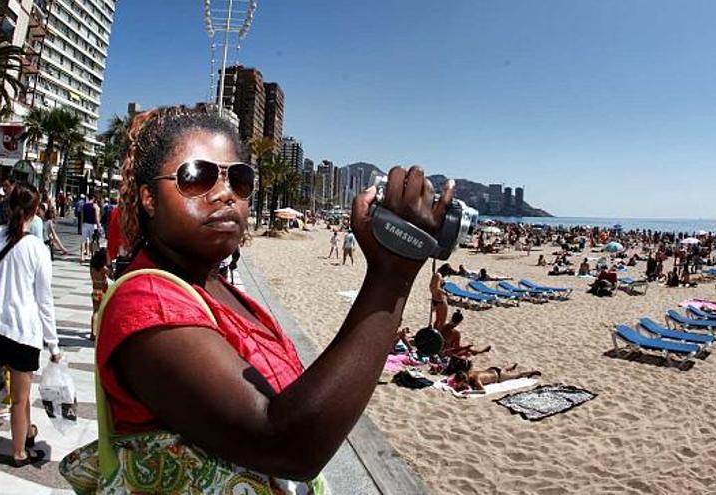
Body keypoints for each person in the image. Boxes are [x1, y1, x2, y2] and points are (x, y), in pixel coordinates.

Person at [76, 107, 456, 491]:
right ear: (149, 198)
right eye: (196, 177)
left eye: (238, 180)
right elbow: (287, 445)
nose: (224, 193)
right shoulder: (149, 302)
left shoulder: (213, 286)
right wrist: (390, 278)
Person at [0, 184, 61, 467]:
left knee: (21, 391)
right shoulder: (36, 248)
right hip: (22, 331)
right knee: (19, 396)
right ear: (34, 210)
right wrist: (53, 345)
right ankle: (18, 452)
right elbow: (44, 301)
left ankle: (27, 431)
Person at [449, 363, 541, 392]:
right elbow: (453, 377)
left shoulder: (476, 378)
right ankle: (511, 367)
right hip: (491, 370)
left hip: (499, 376)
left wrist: (470, 392)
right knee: (504, 370)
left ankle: (532, 371)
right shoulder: (467, 373)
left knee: (518, 375)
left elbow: (482, 391)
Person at [89, 248, 110, 341]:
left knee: (95, 312)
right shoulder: (103, 268)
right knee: (103, 312)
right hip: (102, 291)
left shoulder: (92, 267)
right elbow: (111, 275)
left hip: (95, 291)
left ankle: (92, 332)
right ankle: (99, 332)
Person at [81, 193, 100, 262]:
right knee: (92, 241)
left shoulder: (84, 205)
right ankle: (92, 256)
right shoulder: (95, 206)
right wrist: (98, 226)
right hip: (92, 225)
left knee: (83, 241)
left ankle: (82, 256)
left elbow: (82, 216)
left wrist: (81, 225)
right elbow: (97, 217)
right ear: (94, 198)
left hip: (85, 224)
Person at [429, 265, 448, 330]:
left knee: (437, 320)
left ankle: (434, 333)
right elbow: (437, 288)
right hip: (441, 300)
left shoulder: (435, 275)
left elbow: (431, 287)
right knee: (442, 321)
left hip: (435, 299)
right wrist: (445, 293)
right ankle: (439, 335)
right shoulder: (439, 276)